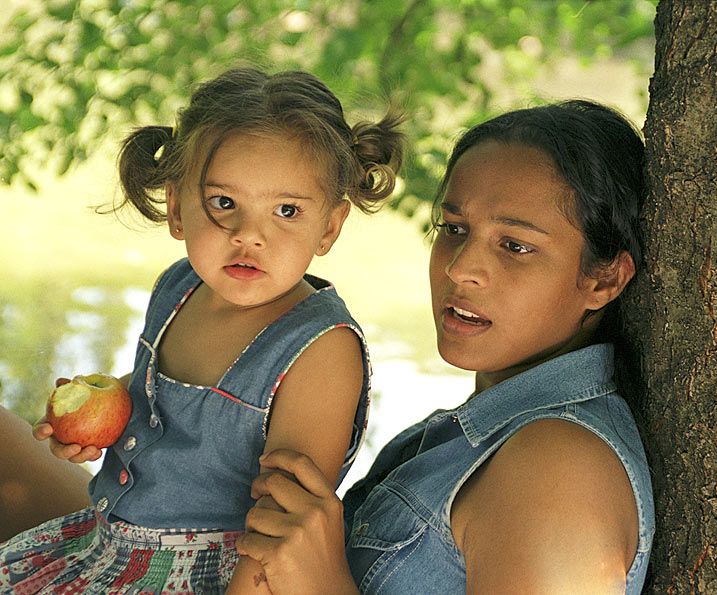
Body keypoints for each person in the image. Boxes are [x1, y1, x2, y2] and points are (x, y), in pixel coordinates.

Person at [0, 67, 404, 593]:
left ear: (328, 226)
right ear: (176, 208)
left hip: (210, 579)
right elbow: (160, 394)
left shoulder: (320, 349)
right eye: (223, 203)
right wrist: (103, 416)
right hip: (108, 549)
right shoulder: (181, 286)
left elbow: (283, 522)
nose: (249, 235)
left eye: (286, 211)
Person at [233, 100, 655, 594]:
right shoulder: (467, 437)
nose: (459, 269)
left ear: (604, 278)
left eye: (514, 246)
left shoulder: (558, 470)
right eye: (454, 229)